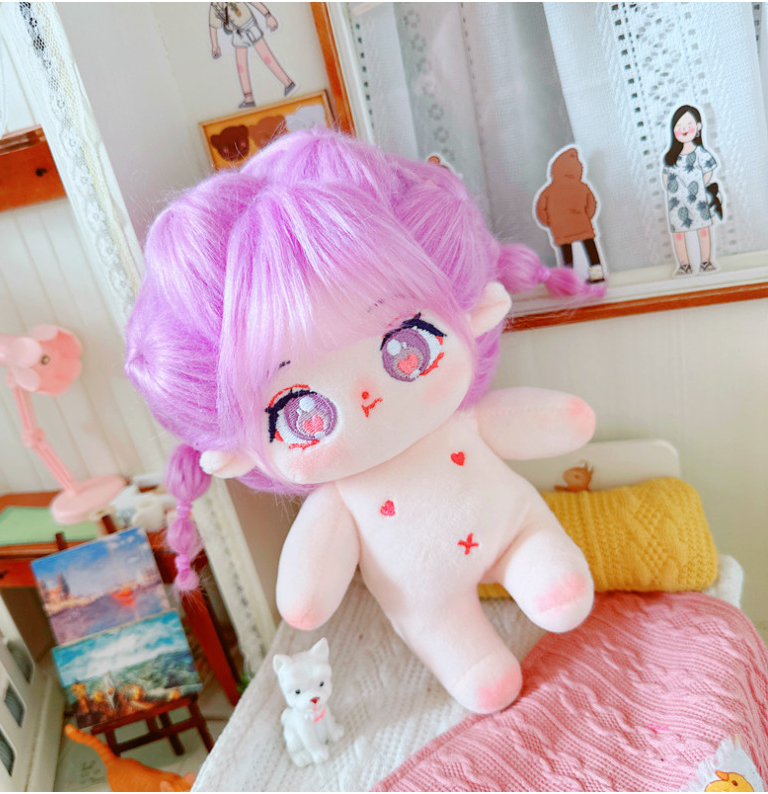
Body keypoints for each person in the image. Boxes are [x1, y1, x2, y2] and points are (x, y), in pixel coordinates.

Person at [125, 129, 601, 713]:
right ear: (238, 452)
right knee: (466, 658)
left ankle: (537, 567)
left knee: (553, 581)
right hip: (423, 596)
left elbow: (555, 421)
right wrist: (307, 596)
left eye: (406, 346)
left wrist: (565, 421)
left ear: (474, 314)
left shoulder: (461, 423)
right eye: (301, 411)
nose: (367, 400)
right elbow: (306, 601)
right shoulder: (342, 499)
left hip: (510, 526)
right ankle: (469, 658)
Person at [662, 105, 723, 276]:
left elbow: (708, 170)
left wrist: (700, 186)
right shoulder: (670, 157)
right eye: (679, 126)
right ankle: (684, 264)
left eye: (688, 124)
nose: (683, 129)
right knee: (679, 233)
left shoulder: (700, 153)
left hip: (698, 200)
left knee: (703, 229)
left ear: (698, 127)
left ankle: (706, 262)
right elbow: (666, 175)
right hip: (676, 202)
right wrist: (671, 189)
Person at [535, 147, 605, 284]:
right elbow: (591, 205)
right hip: (583, 225)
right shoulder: (582, 187)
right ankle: (597, 275)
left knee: (567, 256)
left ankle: (569, 280)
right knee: (592, 252)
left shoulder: (548, 191)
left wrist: (551, 222)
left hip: (561, 229)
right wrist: (586, 218)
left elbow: (541, 211)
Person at [209, 3, 296, 109]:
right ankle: (248, 97)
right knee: (241, 66)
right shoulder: (216, 4)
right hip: (237, 33)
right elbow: (213, 24)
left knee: (266, 56)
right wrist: (215, 45)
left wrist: (268, 16)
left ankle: (287, 82)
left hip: (250, 26)